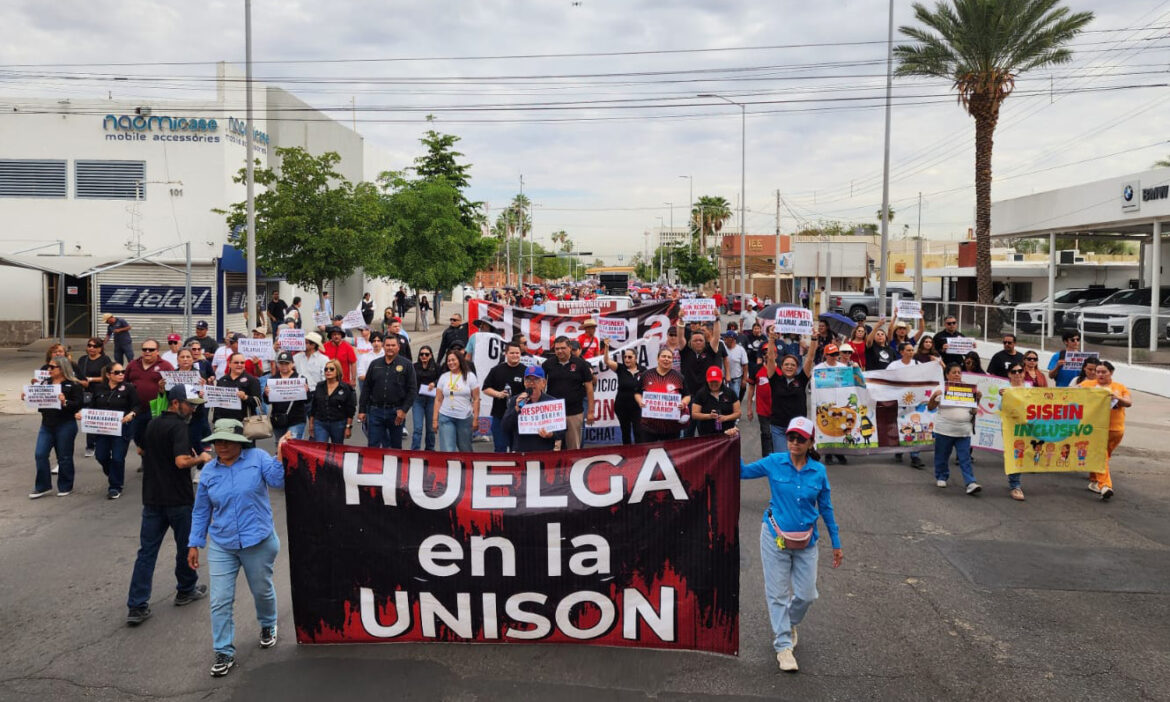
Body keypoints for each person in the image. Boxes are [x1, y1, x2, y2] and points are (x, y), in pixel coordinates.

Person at [740, 416, 843, 673]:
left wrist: (836, 543)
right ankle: (783, 646)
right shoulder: (774, 462)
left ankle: (787, 622)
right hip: (774, 537)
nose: (794, 442)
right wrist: (732, 441)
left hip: (807, 541)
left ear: (811, 442)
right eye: (791, 437)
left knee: (807, 594)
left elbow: (826, 509)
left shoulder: (818, 471)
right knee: (777, 594)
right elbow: (742, 472)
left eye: (800, 438)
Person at [187, 419, 288, 677]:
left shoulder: (258, 458)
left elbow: (278, 481)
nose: (220, 446)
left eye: (226, 441)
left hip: (258, 541)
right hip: (223, 543)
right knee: (220, 600)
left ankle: (268, 624)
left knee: (262, 590)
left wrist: (280, 454)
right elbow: (201, 511)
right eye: (216, 441)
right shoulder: (209, 471)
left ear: (239, 442)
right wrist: (195, 543)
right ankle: (223, 651)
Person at [126, 385, 212, 626]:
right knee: (186, 546)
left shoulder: (153, 423)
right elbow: (181, 461)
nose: (194, 409)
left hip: (152, 497)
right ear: (176, 403)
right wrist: (201, 458)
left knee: (146, 552)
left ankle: (136, 604)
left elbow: (141, 448)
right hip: (178, 498)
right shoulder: (179, 427)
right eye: (190, 404)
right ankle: (186, 589)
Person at [27, 356, 85, 499]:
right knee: (40, 455)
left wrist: (65, 402)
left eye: (53, 367)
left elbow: (78, 404)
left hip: (65, 424)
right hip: (47, 424)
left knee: (64, 457)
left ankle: (65, 485)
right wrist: (28, 397)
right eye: (49, 366)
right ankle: (43, 486)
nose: (49, 369)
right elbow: (40, 400)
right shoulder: (46, 382)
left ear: (62, 368)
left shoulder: (73, 384)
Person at [85, 363, 139, 499]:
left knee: (117, 458)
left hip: (122, 429)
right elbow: (92, 407)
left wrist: (131, 414)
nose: (121, 374)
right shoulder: (99, 388)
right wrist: (83, 414)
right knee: (101, 456)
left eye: (123, 371)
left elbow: (137, 405)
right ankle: (114, 473)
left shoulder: (129, 388)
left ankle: (115, 486)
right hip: (103, 429)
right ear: (108, 375)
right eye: (117, 372)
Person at [927, 363, 982, 495]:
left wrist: (978, 399)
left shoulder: (968, 389)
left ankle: (970, 482)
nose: (957, 374)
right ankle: (941, 476)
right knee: (942, 455)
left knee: (965, 458)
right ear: (947, 375)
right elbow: (930, 407)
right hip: (944, 430)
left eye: (959, 372)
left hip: (963, 431)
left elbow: (974, 411)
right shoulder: (941, 388)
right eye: (954, 372)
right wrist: (935, 396)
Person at [1080, 360, 1131, 501]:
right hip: (1095, 429)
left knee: (1105, 455)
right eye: (1098, 372)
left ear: (1111, 372)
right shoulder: (1087, 385)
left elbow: (1129, 402)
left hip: (1116, 429)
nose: (1100, 374)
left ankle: (1094, 479)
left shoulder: (1119, 387)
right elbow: (1071, 394)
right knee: (1101, 455)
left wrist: (1117, 398)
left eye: (1104, 372)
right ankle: (1105, 486)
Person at [358, 336, 417, 449]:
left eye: (393, 345)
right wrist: (362, 410)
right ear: (383, 346)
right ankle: (374, 467)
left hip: (396, 412)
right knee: (373, 446)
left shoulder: (407, 365)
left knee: (395, 447)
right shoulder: (374, 364)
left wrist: (404, 410)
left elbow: (412, 390)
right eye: (388, 345)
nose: (390, 348)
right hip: (375, 411)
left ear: (398, 347)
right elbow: (366, 388)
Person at [542, 336, 595, 450]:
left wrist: (590, 412)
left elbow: (589, 388)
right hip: (553, 414)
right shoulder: (547, 364)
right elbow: (541, 385)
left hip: (574, 412)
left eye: (563, 348)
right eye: (557, 349)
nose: (559, 351)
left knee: (573, 448)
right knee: (554, 448)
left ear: (570, 348)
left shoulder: (581, 364)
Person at [124, 339, 174, 449]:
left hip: (156, 409)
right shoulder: (133, 364)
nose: (147, 352)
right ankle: (145, 460)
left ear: (157, 351)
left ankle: (150, 464)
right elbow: (124, 383)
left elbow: (173, 388)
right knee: (138, 437)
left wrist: (163, 389)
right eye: (144, 349)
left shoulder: (166, 366)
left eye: (151, 349)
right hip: (135, 410)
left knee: (154, 439)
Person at [502, 366, 565, 451]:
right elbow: (505, 427)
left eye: (536, 380)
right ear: (524, 382)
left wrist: (551, 434)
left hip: (544, 451)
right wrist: (517, 408)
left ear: (543, 383)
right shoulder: (515, 400)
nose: (531, 383)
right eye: (528, 380)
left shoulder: (552, 402)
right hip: (521, 451)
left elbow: (562, 431)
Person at [636, 348, 689, 442]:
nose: (666, 359)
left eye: (669, 357)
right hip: (649, 426)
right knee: (649, 452)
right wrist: (640, 401)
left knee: (671, 454)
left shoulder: (679, 377)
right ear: (657, 358)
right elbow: (637, 393)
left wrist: (683, 403)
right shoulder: (646, 375)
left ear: (672, 360)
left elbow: (687, 395)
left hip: (672, 427)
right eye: (663, 356)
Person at [482, 342, 527, 452]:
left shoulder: (526, 371)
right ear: (506, 354)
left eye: (517, 353)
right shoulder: (496, 370)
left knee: (517, 449)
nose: (515, 355)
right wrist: (498, 394)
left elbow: (531, 391)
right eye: (512, 353)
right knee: (500, 448)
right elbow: (485, 388)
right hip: (499, 415)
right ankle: (499, 469)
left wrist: (523, 397)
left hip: (519, 417)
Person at [433, 349, 480, 452]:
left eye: (453, 360)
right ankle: (450, 468)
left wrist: (475, 419)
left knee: (465, 449)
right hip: (446, 416)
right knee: (448, 450)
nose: (451, 362)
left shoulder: (470, 376)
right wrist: (435, 420)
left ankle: (466, 468)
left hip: (464, 417)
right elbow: (438, 399)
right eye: (448, 361)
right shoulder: (444, 377)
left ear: (460, 360)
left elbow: (476, 399)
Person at [888, 342, 925, 469]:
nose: (911, 352)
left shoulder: (917, 365)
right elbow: (887, 380)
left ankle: (915, 455)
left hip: (914, 402)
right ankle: (898, 449)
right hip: (899, 401)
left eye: (912, 350)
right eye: (908, 350)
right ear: (901, 352)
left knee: (914, 425)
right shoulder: (894, 365)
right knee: (900, 425)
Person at [77, 336, 113, 457]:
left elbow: (108, 376)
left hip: (101, 392)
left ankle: (105, 444)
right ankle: (90, 445)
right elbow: (77, 374)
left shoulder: (105, 360)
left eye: (95, 346)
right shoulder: (83, 359)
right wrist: (81, 381)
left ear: (100, 348)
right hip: (86, 393)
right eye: (89, 345)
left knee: (101, 419)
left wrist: (91, 379)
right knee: (89, 419)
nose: (91, 348)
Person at [305, 359, 356, 444]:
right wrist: (311, 424)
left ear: (338, 371)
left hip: (338, 423)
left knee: (336, 451)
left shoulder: (345, 388)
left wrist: (348, 427)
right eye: (326, 369)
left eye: (331, 369)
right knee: (321, 448)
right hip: (320, 423)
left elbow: (350, 410)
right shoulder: (319, 386)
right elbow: (314, 407)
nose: (328, 371)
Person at [602, 342, 642, 445]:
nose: (627, 359)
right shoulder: (620, 368)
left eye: (630, 357)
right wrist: (606, 347)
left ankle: (640, 455)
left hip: (637, 407)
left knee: (638, 431)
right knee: (626, 431)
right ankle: (628, 455)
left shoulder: (643, 370)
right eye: (625, 357)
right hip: (622, 406)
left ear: (636, 358)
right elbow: (606, 361)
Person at [1001, 362, 1029, 501]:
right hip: (1013, 429)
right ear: (1009, 374)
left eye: (1020, 371)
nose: (1017, 374)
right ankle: (1015, 485)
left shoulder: (1031, 389)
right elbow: (1000, 408)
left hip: (1029, 428)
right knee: (1016, 454)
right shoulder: (1005, 390)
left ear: (1024, 373)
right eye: (1014, 371)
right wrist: (1003, 397)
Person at [267, 351, 308, 442]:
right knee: (280, 447)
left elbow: (307, 401)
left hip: (296, 420)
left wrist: (306, 392)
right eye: (281, 363)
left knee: (292, 447)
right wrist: (266, 394)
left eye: (287, 363)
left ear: (292, 364)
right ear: (278, 365)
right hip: (278, 420)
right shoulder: (272, 379)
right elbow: (267, 401)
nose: (284, 366)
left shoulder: (300, 379)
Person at [745, 339, 776, 457]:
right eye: (764, 353)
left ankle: (775, 455)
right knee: (766, 433)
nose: (767, 355)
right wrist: (749, 409)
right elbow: (751, 389)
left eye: (770, 352)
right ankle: (766, 456)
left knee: (775, 433)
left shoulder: (781, 369)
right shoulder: (756, 369)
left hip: (777, 409)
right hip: (762, 409)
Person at [214, 353, 261, 427]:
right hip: (224, 422)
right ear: (229, 364)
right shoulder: (222, 380)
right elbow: (217, 403)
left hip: (244, 422)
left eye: (242, 362)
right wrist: (216, 420)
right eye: (236, 362)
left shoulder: (252, 380)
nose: (239, 365)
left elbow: (258, 401)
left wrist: (245, 397)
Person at [691, 366, 740, 436]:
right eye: (711, 381)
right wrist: (709, 416)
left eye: (716, 381)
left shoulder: (730, 393)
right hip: (707, 434)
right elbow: (694, 414)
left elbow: (738, 413)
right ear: (707, 380)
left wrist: (725, 418)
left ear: (721, 380)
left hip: (728, 432)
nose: (714, 384)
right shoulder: (701, 394)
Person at [412, 345, 440, 451]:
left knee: (430, 429)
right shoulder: (414, 367)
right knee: (417, 428)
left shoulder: (436, 367)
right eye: (421, 354)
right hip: (418, 399)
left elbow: (442, 379)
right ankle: (415, 451)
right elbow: (409, 381)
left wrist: (434, 383)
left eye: (426, 354)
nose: (424, 356)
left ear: (431, 355)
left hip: (432, 400)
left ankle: (430, 451)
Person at [722, 331, 749, 398]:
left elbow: (745, 365)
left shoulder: (740, 350)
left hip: (736, 379)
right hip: (723, 379)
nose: (725, 340)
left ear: (733, 340)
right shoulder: (722, 348)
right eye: (725, 338)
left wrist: (744, 379)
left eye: (727, 338)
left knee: (734, 398)